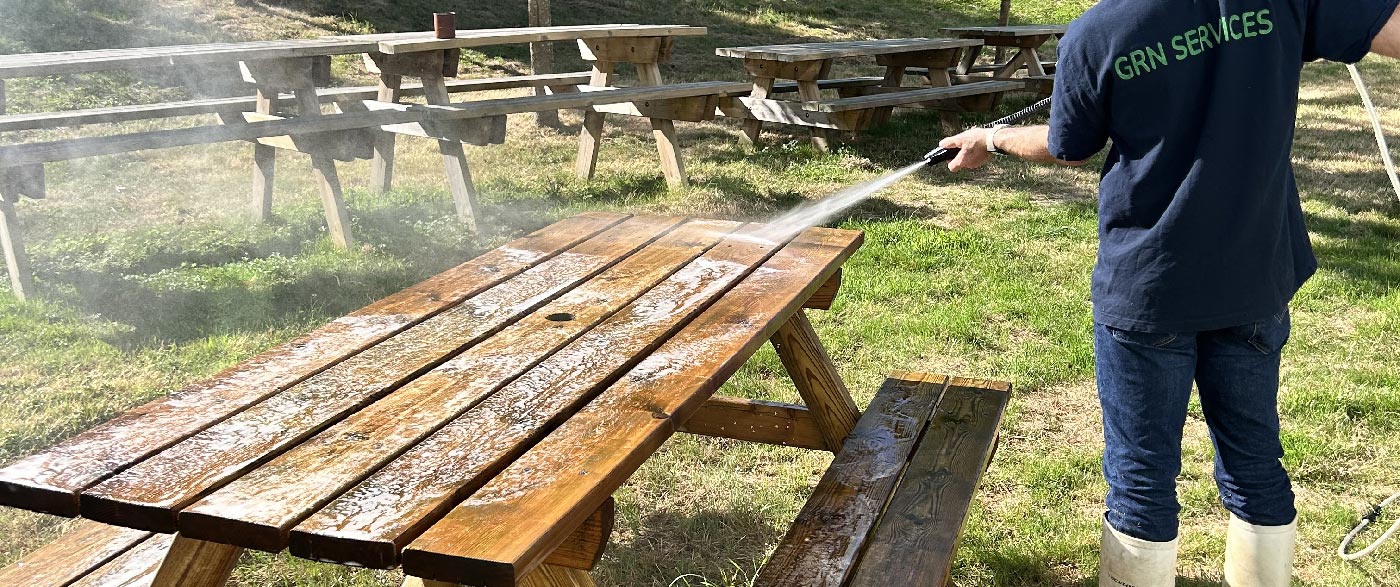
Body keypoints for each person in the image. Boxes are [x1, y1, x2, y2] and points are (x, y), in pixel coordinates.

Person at [938, 1, 1400, 585]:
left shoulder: (1098, 31)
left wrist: (993, 138)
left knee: (1141, 478)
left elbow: (1069, 144)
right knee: (1255, 463)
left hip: (1150, 288)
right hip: (1252, 282)